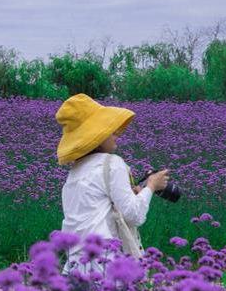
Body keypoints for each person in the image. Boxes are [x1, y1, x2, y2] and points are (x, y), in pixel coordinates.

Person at [55, 93, 170, 273]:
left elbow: (95, 211)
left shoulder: (74, 173)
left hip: (73, 268)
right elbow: (134, 215)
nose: (116, 134)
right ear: (96, 136)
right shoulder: (112, 164)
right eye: (109, 129)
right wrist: (151, 186)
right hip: (104, 269)